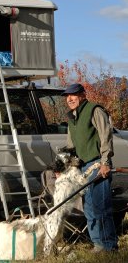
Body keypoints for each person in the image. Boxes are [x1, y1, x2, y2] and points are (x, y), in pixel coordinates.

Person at [61, 83, 118, 252]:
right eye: (67, 96)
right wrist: (66, 168)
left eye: (73, 95)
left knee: (101, 207)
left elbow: (105, 137)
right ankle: (98, 243)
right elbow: (70, 146)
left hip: (97, 164)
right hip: (83, 168)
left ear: (83, 95)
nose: (70, 99)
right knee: (89, 208)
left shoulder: (95, 110)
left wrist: (105, 162)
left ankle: (109, 245)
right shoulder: (72, 116)